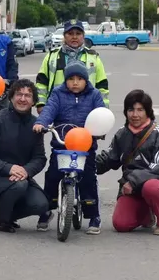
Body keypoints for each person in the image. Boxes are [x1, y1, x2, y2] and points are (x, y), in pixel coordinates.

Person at [33, 62, 106, 234]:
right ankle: (46, 211)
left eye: (79, 79)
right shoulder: (58, 93)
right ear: (65, 80)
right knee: (52, 176)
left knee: (88, 179)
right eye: (71, 79)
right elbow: (49, 110)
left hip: (85, 147)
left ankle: (93, 215)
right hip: (62, 146)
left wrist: (100, 129)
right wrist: (41, 123)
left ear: (85, 80)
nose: (75, 82)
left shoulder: (94, 95)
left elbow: (101, 113)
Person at [96, 90, 159, 235]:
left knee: (151, 187)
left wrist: (133, 182)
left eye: (140, 110)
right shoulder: (122, 133)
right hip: (131, 188)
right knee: (121, 224)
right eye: (131, 110)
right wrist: (88, 163)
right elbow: (110, 158)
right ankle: (146, 214)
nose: (135, 115)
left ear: (148, 112)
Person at [0, 78, 49, 232]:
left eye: (27, 96)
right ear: (11, 97)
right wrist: (9, 168)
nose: (22, 99)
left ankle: (1, 215)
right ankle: (2, 221)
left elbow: (39, 158)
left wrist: (26, 171)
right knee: (19, 186)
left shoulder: (36, 125)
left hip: (20, 176)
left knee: (41, 204)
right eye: (19, 94)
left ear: (33, 101)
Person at [34, 21, 110, 110]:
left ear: (83, 35)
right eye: (70, 34)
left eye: (78, 33)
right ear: (64, 36)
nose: (74, 37)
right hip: (57, 109)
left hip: (87, 109)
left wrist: (103, 109)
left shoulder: (93, 57)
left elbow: (102, 86)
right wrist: (41, 104)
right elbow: (42, 82)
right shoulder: (52, 56)